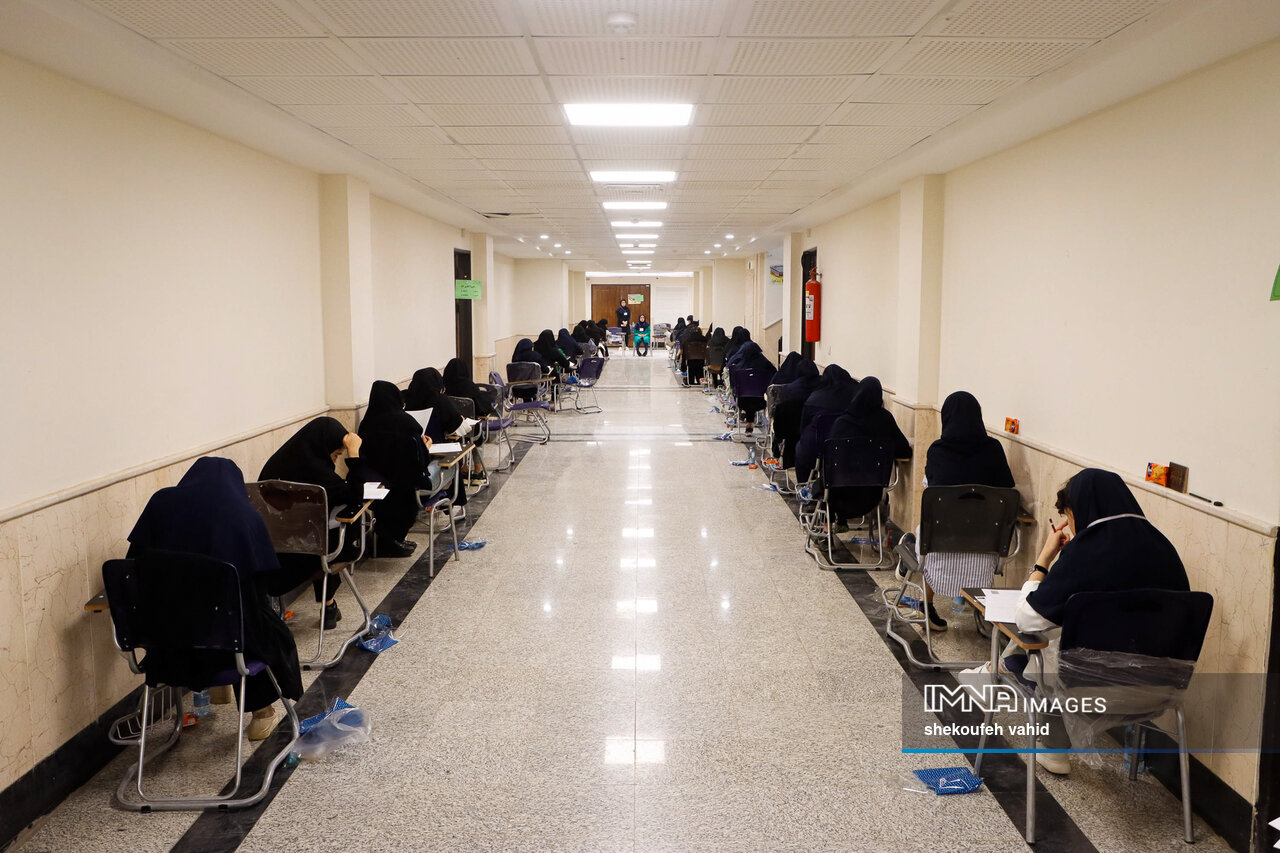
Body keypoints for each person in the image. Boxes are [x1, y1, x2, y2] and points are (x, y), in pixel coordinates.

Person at [967, 468, 1189, 774]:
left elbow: (1027, 618)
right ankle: (999, 678)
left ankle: (999, 679)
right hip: (1159, 691)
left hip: (1087, 691)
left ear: (1082, 511)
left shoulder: (1087, 553)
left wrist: (1044, 561)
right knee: (1072, 634)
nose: (1070, 526)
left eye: (1069, 517)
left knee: (1040, 638)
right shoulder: (1165, 550)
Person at [127, 456, 303, 740]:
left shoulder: (160, 503)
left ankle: (220, 690)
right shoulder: (243, 516)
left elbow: (133, 565)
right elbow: (264, 587)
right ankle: (262, 713)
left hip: (165, 648)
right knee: (259, 626)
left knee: (208, 614)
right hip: (227, 649)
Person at [909, 391, 1015, 631]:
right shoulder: (994, 449)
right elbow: (1008, 490)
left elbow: (931, 490)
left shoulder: (938, 450)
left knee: (926, 538)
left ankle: (926, 604)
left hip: (941, 543)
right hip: (985, 546)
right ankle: (984, 613)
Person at [258, 417, 367, 629]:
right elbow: (356, 495)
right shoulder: (319, 475)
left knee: (317, 527)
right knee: (344, 524)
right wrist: (354, 454)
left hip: (276, 553)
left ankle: (330, 604)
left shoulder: (275, 464)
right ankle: (328, 605)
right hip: (311, 555)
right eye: (336, 454)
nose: (335, 460)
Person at [357, 380, 432, 557]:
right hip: (403, 481)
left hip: (375, 479)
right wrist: (426, 447)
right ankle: (393, 541)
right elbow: (418, 458)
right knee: (408, 498)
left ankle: (387, 541)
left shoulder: (366, 423)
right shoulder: (406, 422)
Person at [794, 364, 859, 484]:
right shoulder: (854, 398)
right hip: (847, 451)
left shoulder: (815, 398)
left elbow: (803, 426)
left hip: (815, 451)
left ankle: (803, 485)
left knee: (800, 448)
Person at [771, 358, 820, 468]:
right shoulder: (822, 387)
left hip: (792, 431)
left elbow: (781, 410)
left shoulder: (789, 388)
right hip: (817, 432)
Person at [729, 340, 777, 430]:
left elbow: (733, 384)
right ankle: (752, 423)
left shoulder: (738, 367)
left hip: (742, 401)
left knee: (748, 397)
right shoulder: (765, 364)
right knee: (753, 398)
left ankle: (749, 422)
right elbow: (774, 375)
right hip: (761, 401)